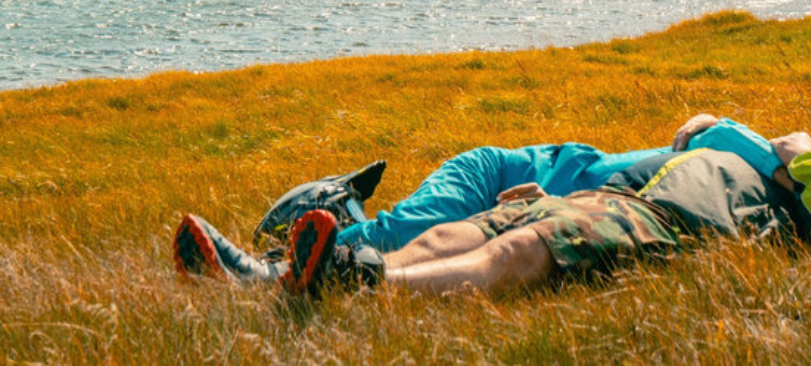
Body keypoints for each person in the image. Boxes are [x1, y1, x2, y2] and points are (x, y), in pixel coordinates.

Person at [174, 113, 755, 283]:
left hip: (528, 197)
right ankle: (268, 273)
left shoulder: (733, 185)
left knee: (415, 233)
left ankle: (324, 224)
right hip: (500, 172)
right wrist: (717, 122)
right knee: (409, 229)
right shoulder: (736, 152)